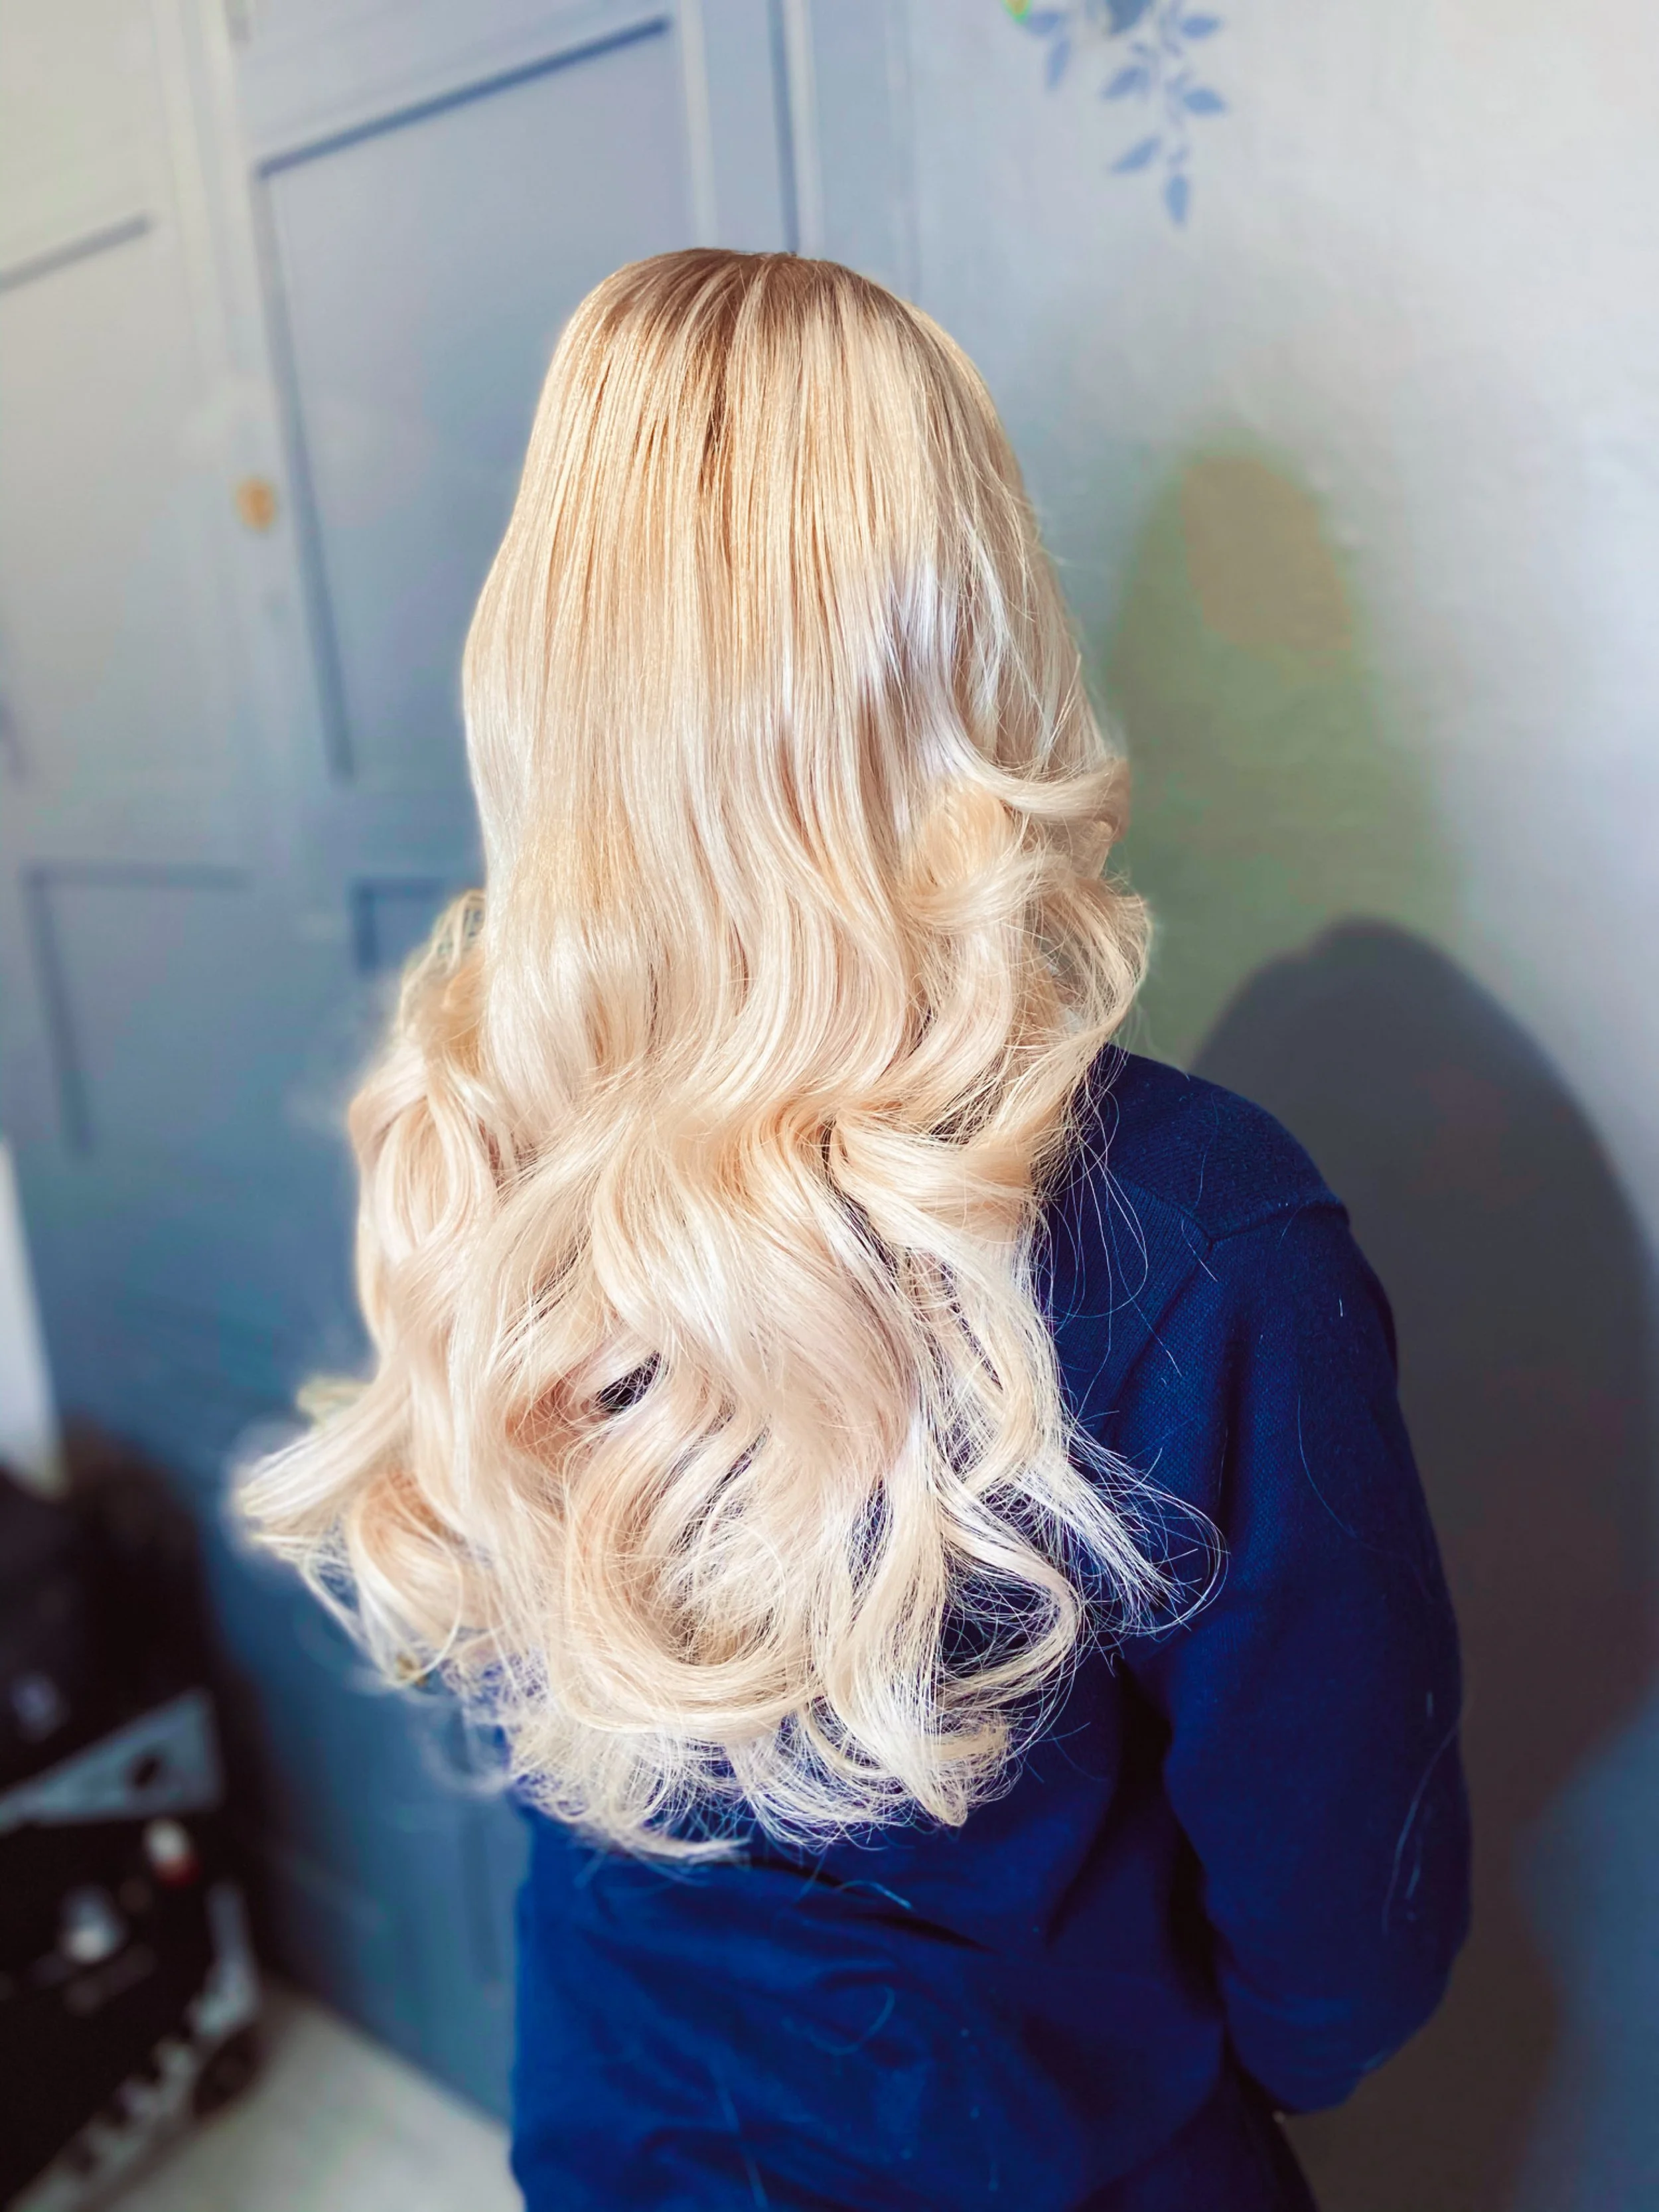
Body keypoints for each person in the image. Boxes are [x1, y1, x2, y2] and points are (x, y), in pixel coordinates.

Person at [241, 250, 1469, 2211]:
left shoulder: (480, 1129)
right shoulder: (1201, 1229)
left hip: (617, 2131)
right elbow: (1342, 1968)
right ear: (970, 629)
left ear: (546, 662)